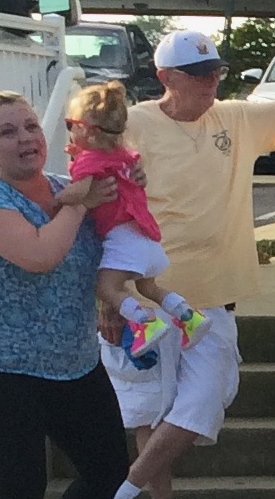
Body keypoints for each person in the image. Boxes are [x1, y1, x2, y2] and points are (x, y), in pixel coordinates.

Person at [98, 22, 275, 499]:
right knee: (151, 412)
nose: (210, 82)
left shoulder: (234, 117)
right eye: (198, 73)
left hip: (212, 300)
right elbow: (100, 208)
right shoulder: (132, 125)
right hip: (145, 297)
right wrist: (105, 298)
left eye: (215, 71)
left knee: (204, 401)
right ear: (166, 77)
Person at [0, 90, 132, 499]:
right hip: (5, 367)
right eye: (7, 132)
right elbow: (39, 255)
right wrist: (77, 203)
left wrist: (127, 188)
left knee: (107, 468)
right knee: (21, 484)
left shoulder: (66, 185)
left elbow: (111, 246)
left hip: (74, 359)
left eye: (30, 126)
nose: (26, 138)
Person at [60, 80, 206, 361]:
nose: (69, 132)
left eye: (70, 125)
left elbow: (79, 191)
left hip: (123, 240)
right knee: (148, 287)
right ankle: (188, 316)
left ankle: (144, 323)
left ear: (87, 131)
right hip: (147, 238)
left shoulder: (90, 160)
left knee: (106, 288)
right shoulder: (125, 156)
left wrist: (55, 199)